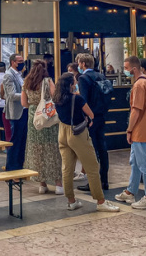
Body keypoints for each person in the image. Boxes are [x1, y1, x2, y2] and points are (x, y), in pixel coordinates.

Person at [54, 73, 119, 213]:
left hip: (62, 132)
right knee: (92, 167)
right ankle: (100, 201)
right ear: (71, 84)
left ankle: (71, 201)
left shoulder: (57, 98)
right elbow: (91, 114)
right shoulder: (77, 98)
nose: (76, 82)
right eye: (75, 81)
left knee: (67, 168)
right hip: (77, 133)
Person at [115, 55, 146, 209]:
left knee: (144, 163)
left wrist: (129, 129)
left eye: (126, 69)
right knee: (135, 162)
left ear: (134, 69)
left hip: (140, 129)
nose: (125, 71)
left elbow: (136, 110)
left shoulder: (139, 85)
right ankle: (130, 191)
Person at [21, 60, 63, 194]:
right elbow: (55, 96)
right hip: (48, 118)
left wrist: (34, 107)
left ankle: (42, 184)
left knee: (37, 150)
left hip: (34, 119)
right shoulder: (48, 80)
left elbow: (24, 103)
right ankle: (58, 184)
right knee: (52, 149)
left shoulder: (26, 83)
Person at [76, 53, 110, 191]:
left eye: (79, 63)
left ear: (83, 64)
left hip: (90, 117)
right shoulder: (101, 76)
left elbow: (83, 100)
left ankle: (93, 182)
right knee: (102, 148)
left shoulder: (84, 78)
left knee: (92, 150)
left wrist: (84, 116)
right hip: (101, 115)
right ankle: (104, 180)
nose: (78, 66)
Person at [2, 53, 28, 170]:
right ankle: (12, 166)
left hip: (23, 110)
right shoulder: (9, 75)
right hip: (16, 112)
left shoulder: (19, 75)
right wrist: (26, 96)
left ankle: (19, 164)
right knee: (15, 140)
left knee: (22, 140)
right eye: (20, 61)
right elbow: (11, 95)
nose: (22, 63)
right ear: (13, 62)